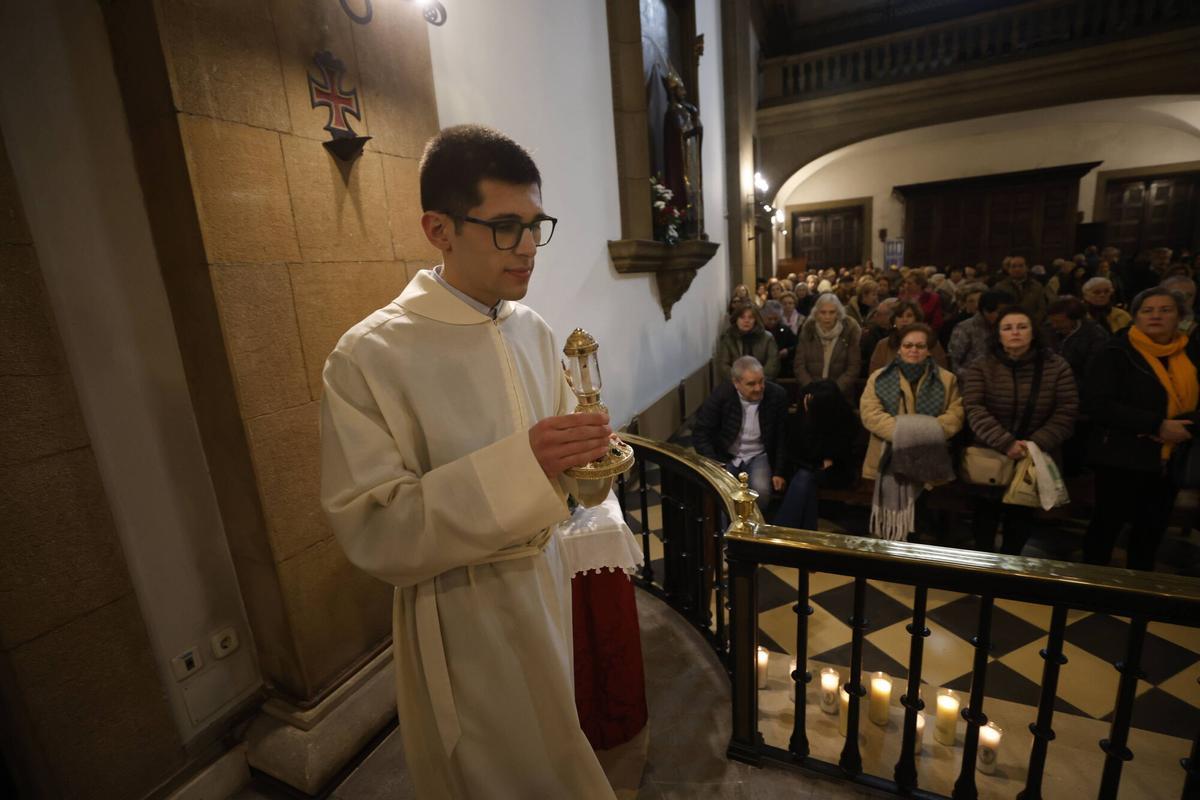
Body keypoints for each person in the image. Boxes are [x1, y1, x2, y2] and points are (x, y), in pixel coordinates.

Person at [319, 125, 616, 798]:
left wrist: (588, 458)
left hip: (543, 584)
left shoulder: (532, 330)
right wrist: (525, 464)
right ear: (439, 229)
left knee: (557, 750)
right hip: (462, 612)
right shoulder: (369, 356)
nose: (529, 247)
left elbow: (566, 480)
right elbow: (374, 528)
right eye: (506, 227)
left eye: (536, 226)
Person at [1083, 287, 1200, 570]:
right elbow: (1098, 404)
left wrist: (1189, 426)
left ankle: (1140, 586)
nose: (1156, 316)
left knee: (1152, 528)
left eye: (1165, 310)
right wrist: (1157, 425)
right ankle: (1090, 583)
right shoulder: (1115, 352)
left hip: (1171, 458)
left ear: (1180, 317)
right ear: (1135, 317)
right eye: (1147, 311)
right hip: (1122, 456)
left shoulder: (1191, 353)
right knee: (1106, 525)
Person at [962, 307, 1078, 555]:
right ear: (998, 334)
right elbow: (974, 407)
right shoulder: (982, 365)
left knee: (1021, 518)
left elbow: (1066, 411)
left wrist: (1034, 444)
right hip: (990, 453)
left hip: (1035, 454)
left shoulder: (1056, 366)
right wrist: (1006, 443)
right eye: (1008, 328)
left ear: (1033, 332)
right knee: (985, 518)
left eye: (1022, 327)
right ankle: (982, 568)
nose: (1015, 332)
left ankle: (1010, 565)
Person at [860, 323, 964, 538]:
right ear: (899, 348)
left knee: (921, 521)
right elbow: (871, 414)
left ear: (928, 350)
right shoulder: (879, 377)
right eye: (908, 345)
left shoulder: (947, 379)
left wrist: (918, 433)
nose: (913, 350)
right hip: (887, 456)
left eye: (920, 346)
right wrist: (911, 434)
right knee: (889, 528)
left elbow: (955, 415)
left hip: (929, 457)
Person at [692, 356, 788, 510]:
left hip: (759, 455)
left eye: (761, 381)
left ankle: (752, 524)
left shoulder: (777, 395)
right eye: (751, 384)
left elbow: (783, 437)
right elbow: (700, 433)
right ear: (736, 383)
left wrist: (779, 472)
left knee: (761, 493)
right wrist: (715, 464)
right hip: (726, 456)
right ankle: (729, 525)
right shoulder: (721, 395)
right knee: (723, 495)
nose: (758, 388)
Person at [775, 380, 860, 530]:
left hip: (838, 471)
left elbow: (841, 455)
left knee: (805, 478)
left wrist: (825, 458)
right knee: (806, 478)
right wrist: (808, 419)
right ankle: (805, 532)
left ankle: (783, 530)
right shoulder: (801, 417)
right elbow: (796, 451)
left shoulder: (845, 419)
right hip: (806, 468)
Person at [793, 293, 862, 400]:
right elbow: (799, 365)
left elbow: (853, 367)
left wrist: (835, 389)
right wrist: (811, 388)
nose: (827, 317)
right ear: (817, 313)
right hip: (810, 394)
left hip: (840, 395)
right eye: (823, 312)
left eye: (832, 312)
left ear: (838, 314)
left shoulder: (848, 333)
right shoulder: (808, 332)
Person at [868, 299, 949, 374]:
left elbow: (942, 373)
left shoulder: (931, 343)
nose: (904, 320)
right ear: (894, 321)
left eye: (909, 316)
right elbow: (874, 376)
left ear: (917, 320)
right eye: (900, 316)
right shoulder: (883, 345)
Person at [947, 288, 1013, 377]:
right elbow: (953, 363)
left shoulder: (1008, 327)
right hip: (971, 379)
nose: (1004, 316)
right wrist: (974, 377)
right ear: (986, 311)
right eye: (1000, 312)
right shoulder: (965, 329)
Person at [1045, 296, 1107, 381]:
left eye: (1059, 322)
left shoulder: (1095, 336)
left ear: (1075, 319)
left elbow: (1094, 370)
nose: (1054, 326)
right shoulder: (1048, 331)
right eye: (1052, 322)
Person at [715, 305, 780, 382]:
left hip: (763, 382)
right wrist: (741, 380)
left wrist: (757, 379)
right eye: (742, 317)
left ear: (756, 320)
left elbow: (773, 363)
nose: (746, 321)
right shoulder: (728, 338)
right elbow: (723, 365)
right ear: (736, 319)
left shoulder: (767, 338)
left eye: (750, 317)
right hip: (736, 383)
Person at [994, 255, 1048, 321]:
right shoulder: (1000, 287)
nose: (1017, 269)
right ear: (1008, 269)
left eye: (1021, 266)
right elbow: (997, 310)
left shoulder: (1037, 286)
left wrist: (1032, 322)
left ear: (1027, 268)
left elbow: (1042, 309)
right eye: (1013, 266)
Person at [762, 300, 797, 379]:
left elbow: (796, 345)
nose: (773, 322)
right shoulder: (758, 331)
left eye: (776, 319)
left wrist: (788, 351)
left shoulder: (785, 330)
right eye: (769, 319)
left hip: (782, 370)